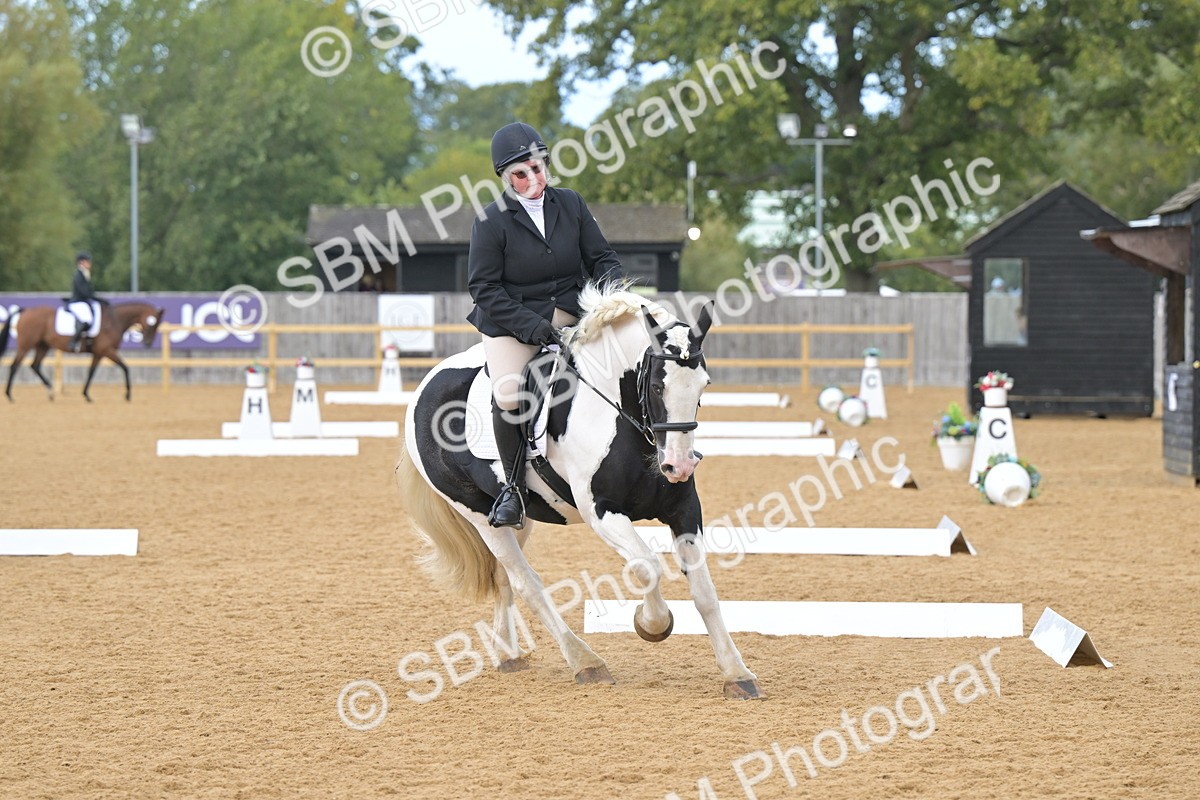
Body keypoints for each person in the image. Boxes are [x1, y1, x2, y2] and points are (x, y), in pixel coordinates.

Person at [466, 122, 624, 529]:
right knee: (508, 393)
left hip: (572, 308)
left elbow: (602, 258)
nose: (534, 179)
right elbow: (484, 288)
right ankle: (514, 490)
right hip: (511, 318)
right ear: (506, 178)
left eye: (539, 168)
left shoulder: (570, 203)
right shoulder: (490, 221)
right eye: (522, 173)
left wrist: (611, 299)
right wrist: (531, 326)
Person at [68, 251, 101, 352]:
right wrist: (94, 298)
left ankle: (88, 340)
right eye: (88, 262)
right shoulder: (78, 274)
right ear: (82, 262)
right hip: (77, 302)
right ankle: (73, 342)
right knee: (87, 320)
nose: (90, 264)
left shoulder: (85, 273)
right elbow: (83, 291)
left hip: (83, 302)